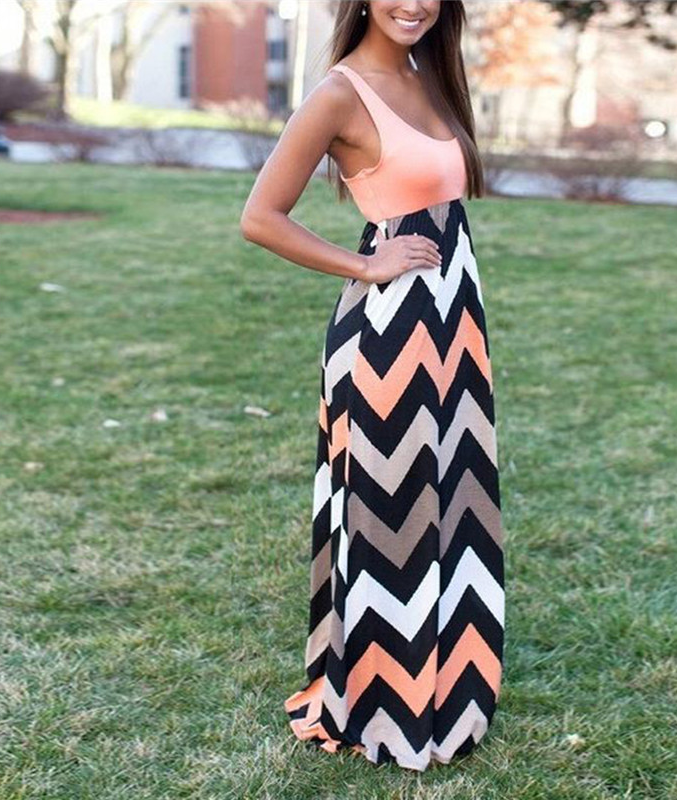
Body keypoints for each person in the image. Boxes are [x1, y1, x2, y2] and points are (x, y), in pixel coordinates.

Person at [240, 0, 504, 771]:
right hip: (391, 336)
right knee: (394, 512)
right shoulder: (339, 93)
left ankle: (449, 690)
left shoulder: (429, 73)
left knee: (452, 499)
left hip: (453, 324)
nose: (413, 3)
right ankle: (389, 707)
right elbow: (261, 217)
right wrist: (365, 263)